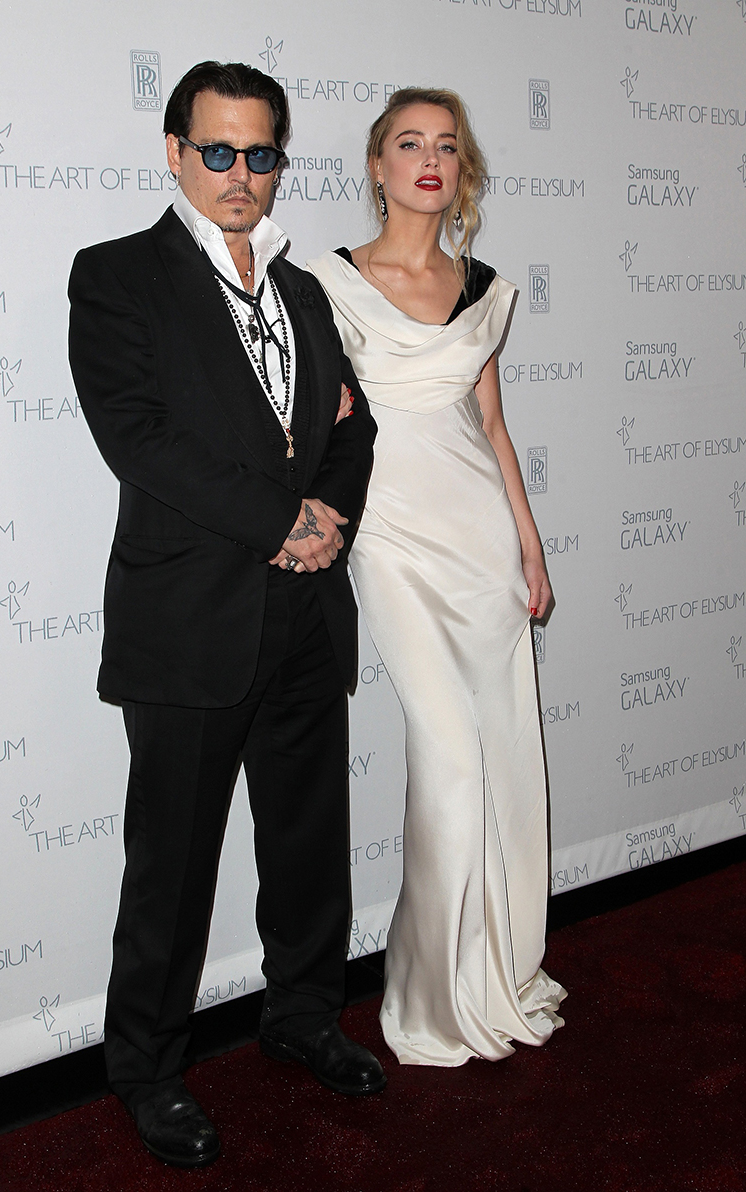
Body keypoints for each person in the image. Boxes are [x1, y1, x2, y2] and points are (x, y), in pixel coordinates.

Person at [67, 60, 383, 1169]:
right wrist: (279, 519)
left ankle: (303, 1015)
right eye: (217, 150)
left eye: (260, 154)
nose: (239, 174)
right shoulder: (117, 277)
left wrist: (328, 518)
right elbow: (139, 438)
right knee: (173, 864)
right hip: (189, 621)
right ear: (175, 151)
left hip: (306, 613)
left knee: (308, 843)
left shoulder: (305, 289)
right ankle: (147, 1070)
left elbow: (353, 428)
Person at [307, 88, 566, 1067]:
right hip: (391, 539)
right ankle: (427, 997)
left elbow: (490, 424)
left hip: (480, 540)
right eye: (408, 143)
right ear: (377, 166)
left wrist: (529, 544)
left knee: (503, 755)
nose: (428, 159)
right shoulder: (326, 282)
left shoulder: (483, 289)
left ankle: (496, 968)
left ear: (461, 172)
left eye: (446, 146)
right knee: (452, 761)